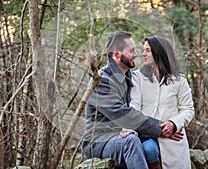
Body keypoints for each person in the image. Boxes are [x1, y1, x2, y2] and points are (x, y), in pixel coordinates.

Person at [81, 31, 164, 169]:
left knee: (151, 145)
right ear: (117, 54)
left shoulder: (132, 77)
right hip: (98, 141)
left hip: (125, 134)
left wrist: (170, 125)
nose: (136, 55)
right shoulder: (102, 80)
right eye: (131, 51)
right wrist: (160, 127)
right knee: (131, 141)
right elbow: (123, 114)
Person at [130, 36, 195, 169]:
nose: (143, 54)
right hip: (146, 134)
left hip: (173, 138)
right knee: (149, 150)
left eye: (148, 50)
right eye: (144, 50)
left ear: (159, 51)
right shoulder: (137, 77)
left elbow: (188, 109)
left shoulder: (179, 79)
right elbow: (134, 107)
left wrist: (174, 124)